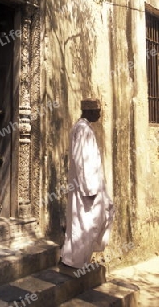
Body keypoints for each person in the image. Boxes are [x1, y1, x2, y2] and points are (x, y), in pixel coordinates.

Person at [60, 98, 114, 268]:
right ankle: (74, 261)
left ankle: (79, 260)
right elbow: (81, 160)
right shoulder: (82, 129)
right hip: (86, 188)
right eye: (97, 111)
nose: (99, 115)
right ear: (89, 111)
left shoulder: (84, 128)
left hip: (91, 186)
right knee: (83, 223)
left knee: (95, 219)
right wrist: (89, 189)